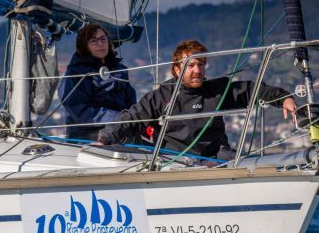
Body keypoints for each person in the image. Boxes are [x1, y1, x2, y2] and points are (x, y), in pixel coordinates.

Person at [97, 39, 297, 159]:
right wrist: (105, 139)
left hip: (216, 155)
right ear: (177, 69)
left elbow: (250, 90)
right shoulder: (163, 94)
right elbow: (133, 117)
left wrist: (283, 98)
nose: (197, 70)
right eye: (190, 65)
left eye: (201, 65)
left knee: (245, 163)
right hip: (175, 159)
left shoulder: (216, 90)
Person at [58, 24, 136, 141]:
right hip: (88, 137)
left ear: (109, 42)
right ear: (84, 46)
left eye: (103, 39)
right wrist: (119, 118)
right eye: (93, 40)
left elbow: (131, 100)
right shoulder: (75, 74)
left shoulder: (120, 70)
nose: (100, 44)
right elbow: (82, 112)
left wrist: (135, 118)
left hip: (121, 132)